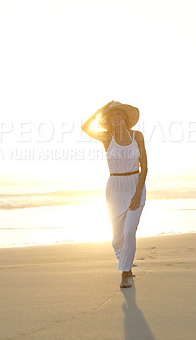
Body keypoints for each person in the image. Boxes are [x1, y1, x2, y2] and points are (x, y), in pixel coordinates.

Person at [81, 101, 148, 288]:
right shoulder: (107, 138)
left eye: (119, 114)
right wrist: (98, 111)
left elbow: (145, 167)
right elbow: (85, 127)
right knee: (117, 237)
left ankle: (125, 272)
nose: (116, 117)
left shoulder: (138, 136)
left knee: (129, 231)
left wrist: (137, 194)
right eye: (112, 115)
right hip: (115, 189)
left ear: (126, 117)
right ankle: (125, 260)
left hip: (135, 185)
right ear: (108, 119)